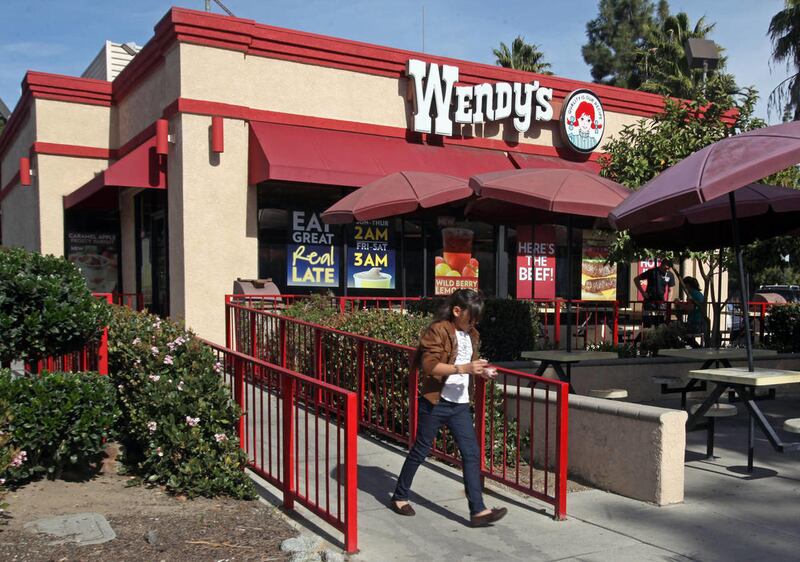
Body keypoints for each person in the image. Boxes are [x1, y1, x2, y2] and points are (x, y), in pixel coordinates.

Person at [390, 289, 507, 527]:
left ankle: (478, 511)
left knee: (471, 454)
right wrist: (465, 369)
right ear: (457, 311)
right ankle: (400, 496)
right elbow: (430, 367)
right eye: (470, 317)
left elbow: (467, 365)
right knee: (421, 450)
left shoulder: (471, 334)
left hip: (460, 404)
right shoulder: (439, 330)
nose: (473, 322)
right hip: (436, 402)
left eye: (477, 318)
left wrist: (482, 371)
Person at [634, 258, 676, 327]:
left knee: (660, 324)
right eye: (666, 268)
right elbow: (636, 279)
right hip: (649, 301)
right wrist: (642, 292)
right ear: (662, 265)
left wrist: (668, 303)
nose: (667, 270)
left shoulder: (670, 275)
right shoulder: (652, 272)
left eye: (669, 268)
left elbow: (671, 290)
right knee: (647, 324)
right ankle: (647, 336)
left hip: (661, 302)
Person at [674, 276, 706, 347]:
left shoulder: (692, 294)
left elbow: (690, 307)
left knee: (674, 329)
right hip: (700, 323)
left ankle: (692, 346)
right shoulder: (698, 293)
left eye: (683, 285)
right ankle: (695, 346)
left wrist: (679, 304)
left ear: (687, 285)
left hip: (695, 324)